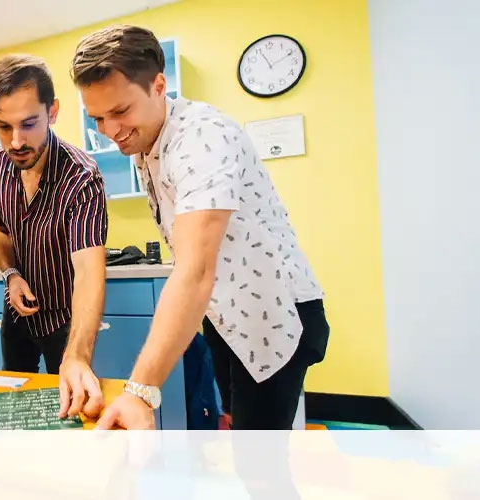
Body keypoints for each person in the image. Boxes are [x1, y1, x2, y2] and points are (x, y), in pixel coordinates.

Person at [71, 25, 329, 430]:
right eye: (97, 118)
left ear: (159, 86)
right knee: (235, 429)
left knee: (262, 463)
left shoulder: (202, 137)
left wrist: (140, 390)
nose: (110, 130)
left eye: (120, 112)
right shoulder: (147, 144)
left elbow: (194, 271)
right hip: (227, 313)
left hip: (273, 316)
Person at [0, 55, 109, 417]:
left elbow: (88, 270)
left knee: (68, 408)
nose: (16, 141)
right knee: (16, 403)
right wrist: (11, 275)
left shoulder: (82, 177)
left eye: (28, 124)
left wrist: (78, 356)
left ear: (52, 111)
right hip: (17, 313)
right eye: (3, 127)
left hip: (64, 321)